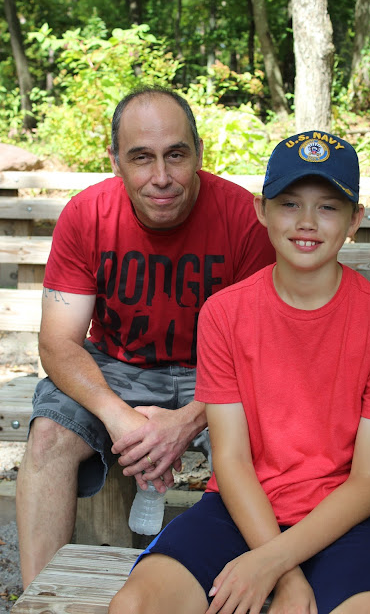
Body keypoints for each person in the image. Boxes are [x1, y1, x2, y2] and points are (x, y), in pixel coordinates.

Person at [109, 131, 370, 614]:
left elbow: (369, 479)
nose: (307, 222)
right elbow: (231, 460)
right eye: (289, 204)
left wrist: (271, 562)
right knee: (134, 606)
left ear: (355, 219)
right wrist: (285, 575)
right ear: (261, 210)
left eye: (328, 207)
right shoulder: (224, 314)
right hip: (243, 510)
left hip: (348, 519)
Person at [16, 85, 275, 588]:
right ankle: (40, 597)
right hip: (116, 366)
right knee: (48, 437)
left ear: (199, 153)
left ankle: (268, 582)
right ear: (115, 161)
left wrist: (186, 421)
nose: (161, 177)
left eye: (176, 155)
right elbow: (58, 342)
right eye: (141, 158)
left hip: (220, 373)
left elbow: (260, 352)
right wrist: (122, 419)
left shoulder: (244, 218)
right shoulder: (87, 214)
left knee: (272, 444)